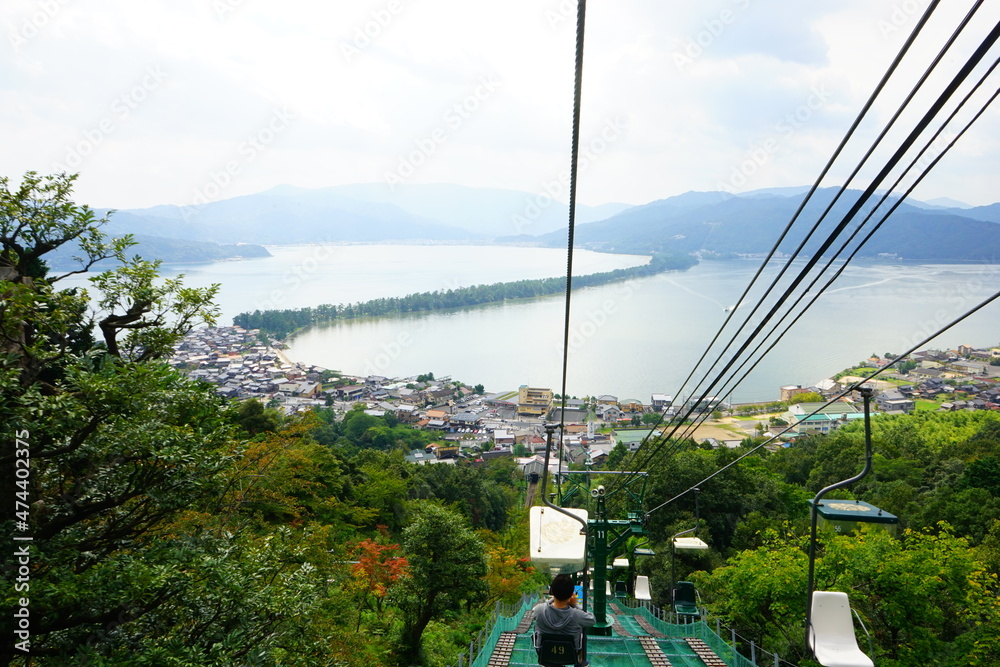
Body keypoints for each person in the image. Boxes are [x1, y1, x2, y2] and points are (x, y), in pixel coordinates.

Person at [533, 574, 595, 667]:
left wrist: (552, 600)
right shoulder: (577, 615)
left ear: (552, 591)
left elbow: (535, 612)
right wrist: (575, 605)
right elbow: (592, 620)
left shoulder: (539, 610)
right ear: (571, 594)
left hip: (545, 654)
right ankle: (581, 661)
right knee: (582, 633)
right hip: (570, 655)